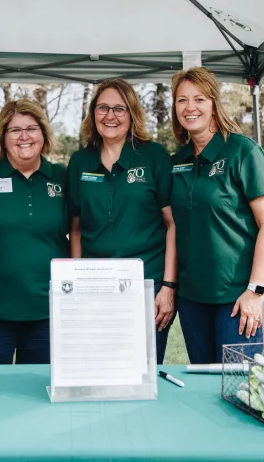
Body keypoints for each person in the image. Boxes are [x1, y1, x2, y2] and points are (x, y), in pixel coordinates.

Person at [169, 67, 264, 364]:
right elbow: (173, 226)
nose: (190, 108)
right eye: (182, 100)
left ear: (214, 104)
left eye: (199, 99)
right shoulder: (176, 162)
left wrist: (255, 291)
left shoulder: (242, 151)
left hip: (237, 298)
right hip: (192, 299)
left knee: (236, 388)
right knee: (204, 386)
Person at [66, 78, 176, 365]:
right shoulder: (79, 162)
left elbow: (172, 224)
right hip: (95, 284)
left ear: (132, 114)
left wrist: (168, 286)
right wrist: (76, 282)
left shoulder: (154, 157)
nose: (110, 116)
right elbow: (75, 229)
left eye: (119, 108)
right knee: (97, 368)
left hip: (146, 285)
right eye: (103, 108)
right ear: (93, 113)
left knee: (142, 372)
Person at [0, 99, 69, 365]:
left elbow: (84, 230)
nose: (24, 136)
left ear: (43, 133)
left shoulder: (63, 178)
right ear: (3, 137)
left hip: (49, 313)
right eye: (15, 130)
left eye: (32, 128)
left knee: (41, 396)